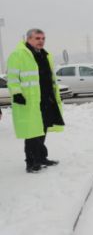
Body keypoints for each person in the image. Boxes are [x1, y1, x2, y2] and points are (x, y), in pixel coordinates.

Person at [7, 28, 65, 173]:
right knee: (32, 131)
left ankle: (41, 158)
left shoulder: (45, 55)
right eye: (37, 38)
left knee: (43, 128)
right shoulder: (18, 55)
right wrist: (17, 93)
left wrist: (54, 95)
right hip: (30, 100)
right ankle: (31, 162)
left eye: (43, 38)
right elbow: (12, 78)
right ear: (29, 39)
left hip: (46, 98)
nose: (41, 41)